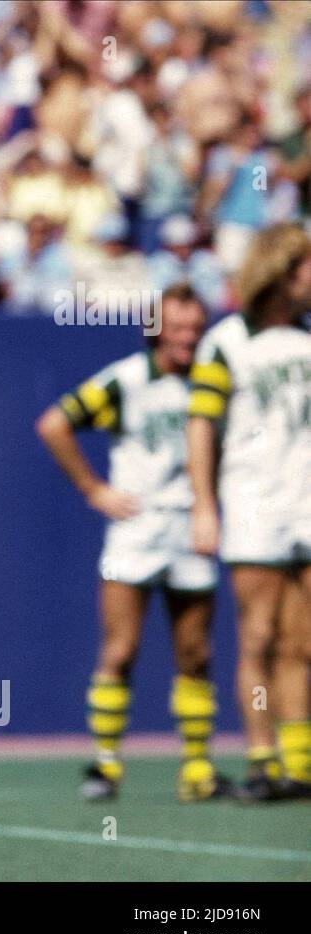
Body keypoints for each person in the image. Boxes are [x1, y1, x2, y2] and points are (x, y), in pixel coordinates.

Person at [36, 284, 226, 802]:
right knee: (120, 649)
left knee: (196, 651)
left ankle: (196, 769)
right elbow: (55, 424)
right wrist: (93, 488)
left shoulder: (213, 381)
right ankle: (106, 765)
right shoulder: (127, 380)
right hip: (137, 531)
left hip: (191, 526)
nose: (188, 336)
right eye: (178, 326)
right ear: (157, 329)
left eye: (195, 326)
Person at [186, 223, 311, 802]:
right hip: (255, 504)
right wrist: (205, 506)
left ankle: (301, 763)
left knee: (302, 644)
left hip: (306, 504)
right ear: (283, 271)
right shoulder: (228, 341)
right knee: (257, 638)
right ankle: (262, 759)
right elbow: (200, 427)